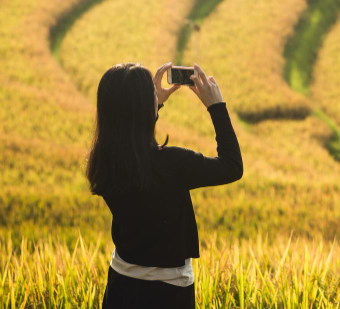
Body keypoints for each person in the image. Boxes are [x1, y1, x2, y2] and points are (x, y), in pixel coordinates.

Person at [86, 61, 242, 308]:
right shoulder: (173, 164)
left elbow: (127, 129)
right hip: (170, 293)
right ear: (146, 109)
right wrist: (217, 107)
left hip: (120, 285)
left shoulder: (104, 162)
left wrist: (152, 104)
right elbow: (232, 166)